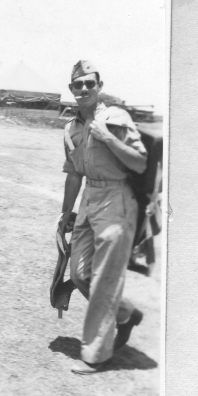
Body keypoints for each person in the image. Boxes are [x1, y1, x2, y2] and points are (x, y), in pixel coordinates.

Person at [59, 60, 147, 375]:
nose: (83, 89)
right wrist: (66, 212)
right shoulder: (71, 127)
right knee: (80, 272)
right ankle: (125, 314)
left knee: (104, 279)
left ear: (99, 88)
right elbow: (72, 174)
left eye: (89, 84)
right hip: (89, 199)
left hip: (117, 199)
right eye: (77, 84)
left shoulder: (116, 117)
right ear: (71, 89)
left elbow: (139, 163)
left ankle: (97, 355)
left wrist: (108, 138)